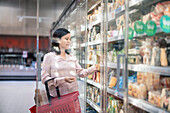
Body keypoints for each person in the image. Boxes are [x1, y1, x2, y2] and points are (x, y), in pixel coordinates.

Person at [41, 28, 99, 97]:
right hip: (57, 98)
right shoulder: (49, 57)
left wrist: (94, 67)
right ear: (58, 40)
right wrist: (63, 80)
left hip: (72, 97)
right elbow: (44, 79)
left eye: (70, 39)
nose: (69, 42)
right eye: (66, 39)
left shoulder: (71, 57)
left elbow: (81, 73)